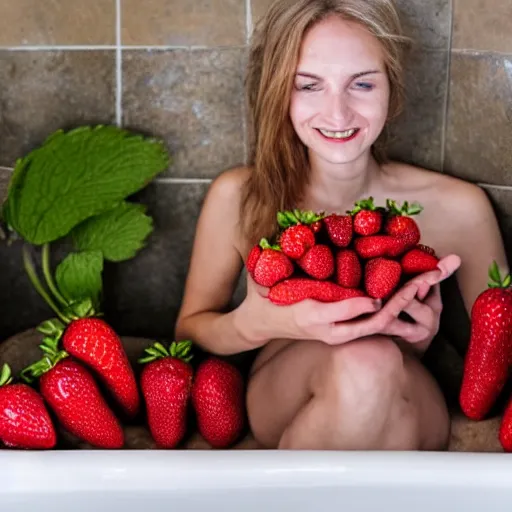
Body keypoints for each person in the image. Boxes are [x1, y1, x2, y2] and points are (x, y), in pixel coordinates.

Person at [174, 0, 508, 450]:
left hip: (408, 389)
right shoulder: (238, 197)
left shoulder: (459, 207)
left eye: (362, 84)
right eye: (309, 86)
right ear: (280, 93)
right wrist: (255, 323)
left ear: (392, 86)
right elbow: (189, 333)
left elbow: (502, 349)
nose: (337, 114)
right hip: (286, 386)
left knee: (371, 364)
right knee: (363, 364)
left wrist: (421, 340)